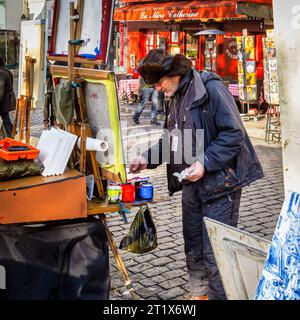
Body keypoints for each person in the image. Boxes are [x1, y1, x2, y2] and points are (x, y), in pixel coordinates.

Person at [129, 49, 264, 300]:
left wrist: (204, 162)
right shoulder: (176, 95)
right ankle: (199, 295)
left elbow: (233, 133)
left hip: (220, 184)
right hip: (191, 183)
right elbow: (172, 140)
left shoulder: (210, 89)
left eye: (159, 83)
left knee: (216, 252)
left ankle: (218, 297)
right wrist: (146, 159)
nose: (157, 89)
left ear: (173, 75)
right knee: (193, 246)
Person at [0, 55, 16, 137]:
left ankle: (10, 135)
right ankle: (11, 134)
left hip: (4, 102)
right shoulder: (6, 70)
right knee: (6, 119)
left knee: (5, 119)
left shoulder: (1, 73)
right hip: (7, 100)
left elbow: (0, 91)